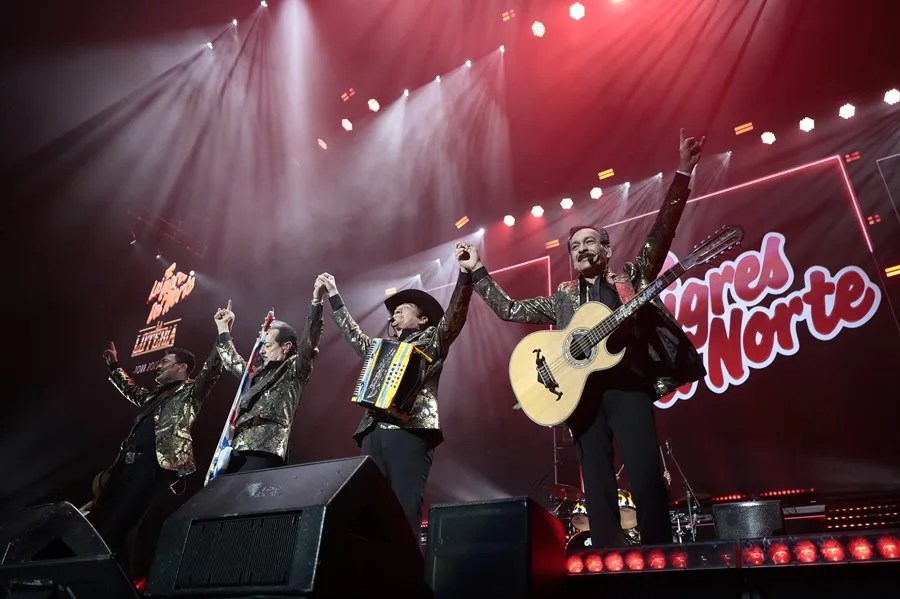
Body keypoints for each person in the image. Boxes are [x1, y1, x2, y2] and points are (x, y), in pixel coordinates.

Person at [460, 130, 707, 547]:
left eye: (589, 241)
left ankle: (659, 553)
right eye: (574, 246)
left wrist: (683, 172)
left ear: (606, 250)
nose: (581, 249)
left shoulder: (629, 279)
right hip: (581, 396)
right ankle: (608, 553)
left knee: (647, 475)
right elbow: (510, 310)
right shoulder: (563, 297)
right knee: (595, 481)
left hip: (628, 386)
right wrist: (478, 271)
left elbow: (661, 231)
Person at [315, 242, 473, 541]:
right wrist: (334, 296)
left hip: (409, 431)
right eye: (394, 311)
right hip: (373, 431)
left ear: (423, 319)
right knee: (368, 511)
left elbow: (455, 315)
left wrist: (465, 276)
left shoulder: (433, 339)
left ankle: (407, 569)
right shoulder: (382, 348)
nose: (396, 313)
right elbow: (355, 337)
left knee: (402, 507)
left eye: (404, 309)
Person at [90, 342, 222, 569]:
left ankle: (115, 576)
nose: (157, 367)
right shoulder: (156, 395)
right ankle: (103, 570)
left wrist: (223, 332)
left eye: (164, 362)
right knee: (101, 522)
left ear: (181, 367)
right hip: (126, 466)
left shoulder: (191, 391)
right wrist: (113, 364)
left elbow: (211, 369)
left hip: (153, 468)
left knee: (121, 525)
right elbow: (131, 389)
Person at [212, 292, 324, 474]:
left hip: (265, 449)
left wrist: (316, 302)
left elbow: (309, 343)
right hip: (236, 449)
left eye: (268, 345)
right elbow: (232, 362)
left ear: (286, 346)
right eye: (261, 345)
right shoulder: (255, 372)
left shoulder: (294, 369)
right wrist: (223, 328)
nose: (262, 351)